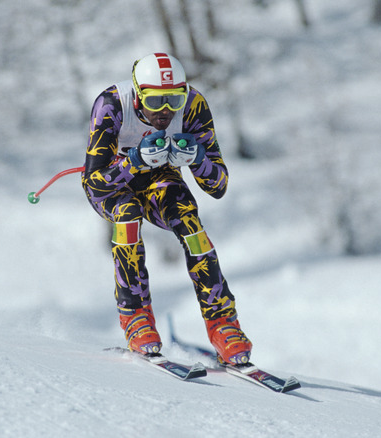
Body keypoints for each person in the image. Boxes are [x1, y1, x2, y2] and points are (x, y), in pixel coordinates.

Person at [81, 53, 252, 365]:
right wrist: (133, 161)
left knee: (190, 225)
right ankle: (135, 315)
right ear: (137, 95)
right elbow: (95, 182)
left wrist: (198, 159)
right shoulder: (111, 104)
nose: (165, 112)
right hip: (115, 184)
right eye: (156, 101)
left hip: (159, 179)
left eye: (174, 100)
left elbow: (219, 186)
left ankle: (222, 323)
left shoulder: (193, 105)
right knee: (128, 214)